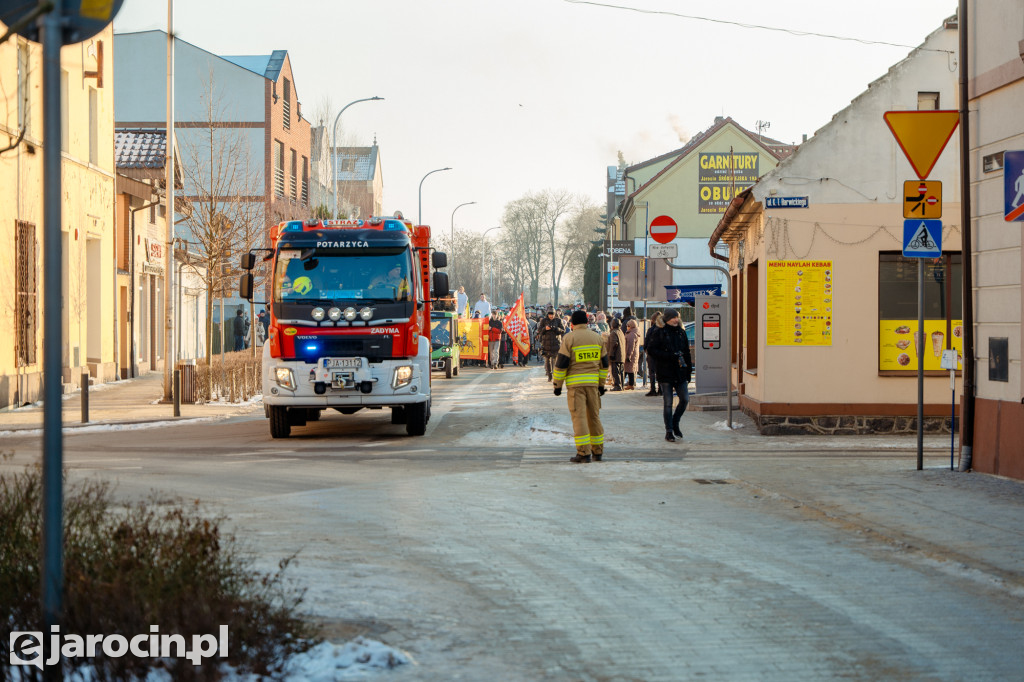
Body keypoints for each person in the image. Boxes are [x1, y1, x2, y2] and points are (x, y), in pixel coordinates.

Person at [552, 310, 608, 463]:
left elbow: (561, 364)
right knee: (594, 417)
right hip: (593, 385)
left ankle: (584, 453)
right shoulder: (597, 338)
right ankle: (598, 451)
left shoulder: (569, 338)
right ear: (587, 322)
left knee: (580, 418)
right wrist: (601, 385)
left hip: (576, 387)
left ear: (572, 324)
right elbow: (605, 365)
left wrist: (557, 385)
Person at [646, 309, 693, 442]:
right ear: (667, 319)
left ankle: (675, 423)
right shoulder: (659, 332)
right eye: (673, 318)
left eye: (677, 318)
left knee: (684, 399)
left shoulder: (681, 332)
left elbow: (687, 353)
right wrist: (669, 356)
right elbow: (651, 350)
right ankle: (669, 431)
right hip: (665, 372)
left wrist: (688, 371)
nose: (676, 320)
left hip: (680, 372)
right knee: (668, 403)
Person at [536, 307, 565, 381]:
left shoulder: (558, 320)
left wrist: (555, 328)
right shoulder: (544, 321)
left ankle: (555, 374)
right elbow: (539, 331)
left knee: (555, 360)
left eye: (552, 314)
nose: (551, 316)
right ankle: (549, 375)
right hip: (546, 343)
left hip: (556, 343)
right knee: (547, 360)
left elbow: (563, 330)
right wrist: (545, 329)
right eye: (549, 314)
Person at [644, 312, 663, 397]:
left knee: (652, 371)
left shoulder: (651, 329)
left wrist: (646, 350)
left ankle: (653, 389)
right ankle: (660, 389)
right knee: (659, 371)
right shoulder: (663, 328)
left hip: (652, 353)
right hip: (661, 353)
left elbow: (646, 341)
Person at [604, 317, 626, 391]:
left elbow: (614, 344)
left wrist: (611, 354)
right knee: (621, 371)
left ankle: (617, 386)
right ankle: (621, 385)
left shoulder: (613, 333)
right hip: (621, 355)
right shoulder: (621, 332)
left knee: (615, 371)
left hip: (616, 355)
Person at [624, 319, 641, 390]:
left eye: (628, 326)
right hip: (634, 354)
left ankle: (630, 384)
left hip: (631, 354)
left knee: (629, 369)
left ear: (631, 326)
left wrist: (628, 355)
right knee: (629, 369)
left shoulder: (631, 334)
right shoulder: (634, 333)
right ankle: (629, 383)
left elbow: (630, 346)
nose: (627, 327)